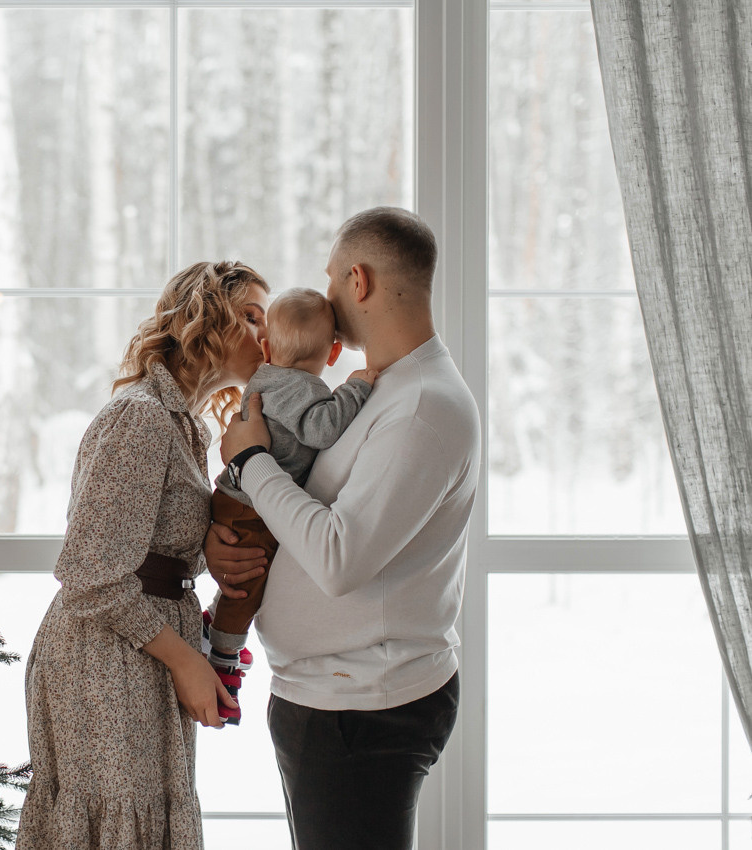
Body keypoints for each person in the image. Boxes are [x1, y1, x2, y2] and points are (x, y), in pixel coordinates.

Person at [208, 207, 481, 850]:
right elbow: (315, 505)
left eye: (330, 281)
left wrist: (250, 462)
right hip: (335, 700)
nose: (325, 298)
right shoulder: (383, 391)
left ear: (357, 281)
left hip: (362, 710)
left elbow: (337, 557)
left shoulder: (420, 407)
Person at [16, 261, 270, 850]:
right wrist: (186, 661)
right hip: (103, 656)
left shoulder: (187, 426)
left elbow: (151, 547)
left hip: (138, 648)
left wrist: (206, 548)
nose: (267, 334)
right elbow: (90, 574)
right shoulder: (142, 417)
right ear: (205, 318)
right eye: (252, 317)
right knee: (113, 825)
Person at [202, 287, 378, 725]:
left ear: (266, 347)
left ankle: (215, 624)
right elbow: (320, 429)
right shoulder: (303, 387)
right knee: (248, 583)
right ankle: (223, 656)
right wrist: (354, 389)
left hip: (236, 496)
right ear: (334, 352)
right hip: (250, 505)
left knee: (240, 579)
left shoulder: (266, 378)